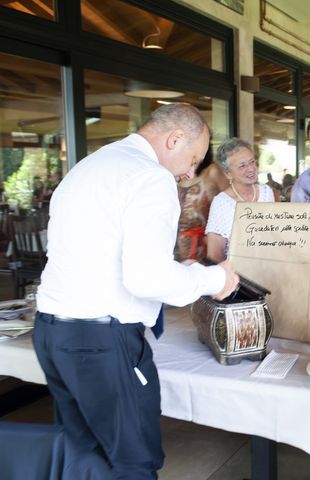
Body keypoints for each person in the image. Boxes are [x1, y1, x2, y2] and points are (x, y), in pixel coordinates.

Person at [33, 103, 240, 479]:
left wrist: (182, 271)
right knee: (133, 462)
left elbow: (100, 253)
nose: (189, 173)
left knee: (83, 457)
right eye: (192, 159)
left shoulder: (90, 166)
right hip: (100, 342)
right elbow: (147, 279)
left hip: (53, 331)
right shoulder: (150, 176)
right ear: (174, 138)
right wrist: (215, 279)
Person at [206, 138, 275, 262]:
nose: (251, 168)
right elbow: (214, 255)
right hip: (237, 275)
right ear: (228, 174)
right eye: (242, 165)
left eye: (252, 162)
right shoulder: (222, 203)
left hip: (268, 270)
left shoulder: (266, 192)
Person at [175, 147, 229, 262]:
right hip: (177, 256)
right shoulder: (176, 173)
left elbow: (233, 206)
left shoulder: (213, 171)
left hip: (205, 255)